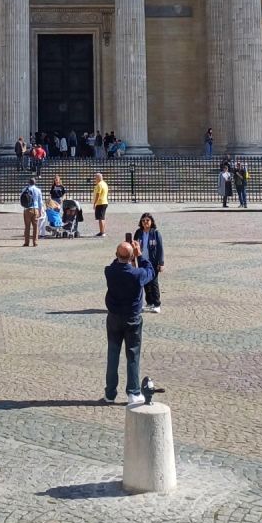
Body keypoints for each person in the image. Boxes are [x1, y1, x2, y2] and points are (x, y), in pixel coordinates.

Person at [101, 239, 153, 405]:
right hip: (132, 318)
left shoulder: (109, 271)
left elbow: (116, 262)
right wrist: (140, 255)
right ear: (131, 257)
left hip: (114, 317)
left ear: (116, 255)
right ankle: (133, 391)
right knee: (132, 354)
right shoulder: (137, 274)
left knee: (113, 354)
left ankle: (110, 393)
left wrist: (125, 254)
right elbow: (150, 271)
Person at [133, 212, 165, 311]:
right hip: (142, 260)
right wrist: (133, 260)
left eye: (147, 220)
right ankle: (149, 302)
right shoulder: (138, 233)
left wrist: (161, 263)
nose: (145, 222)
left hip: (153, 262)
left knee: (154, 283)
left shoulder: (155, 233)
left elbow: (160, 248)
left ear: (151, 222)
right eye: (143, 220)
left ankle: (157, 304)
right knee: (145, 282)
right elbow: (134, 246)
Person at [20, 176, 43, 246]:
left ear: (29, 183)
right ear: (35, 183)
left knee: (27, 226)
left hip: (27, 209)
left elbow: (21, 199)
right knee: (35, 226)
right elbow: (40, 202)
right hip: (35, 209)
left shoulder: (24, 189)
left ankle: (26, 242)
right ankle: (35, 242)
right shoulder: (38, 190)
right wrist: (40, 210)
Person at [92, 172, 110, 236]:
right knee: (102, 218)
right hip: (104, 202)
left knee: (100, 218)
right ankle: (102, 231)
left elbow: (98, 194)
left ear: (98, 178)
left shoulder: (99, 185)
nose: (95, 179)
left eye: (95, 178)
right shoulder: (105, 184)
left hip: (100, 203)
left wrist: (95, 203)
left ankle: (102, 232)